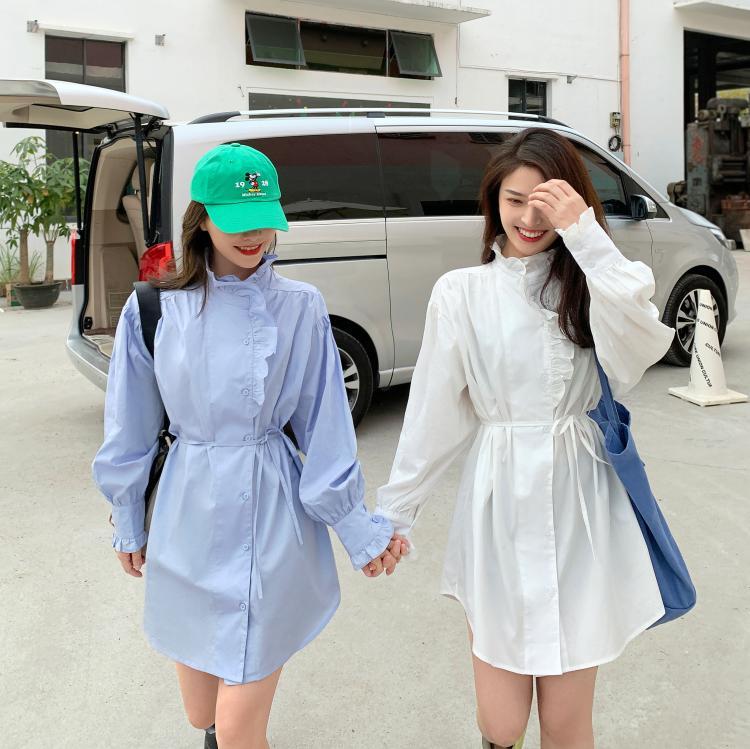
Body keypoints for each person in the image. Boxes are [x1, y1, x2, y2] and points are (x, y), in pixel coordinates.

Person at [93, 143, 407, 749]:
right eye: (237, 220)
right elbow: (129, 426)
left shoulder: (300, 307)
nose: (254, 236)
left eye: (265, 220)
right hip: (187, 514)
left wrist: (358, 530)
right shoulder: (154, 308)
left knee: (238, 729)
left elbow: (325, 430)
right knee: (203, 714)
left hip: (272, 513)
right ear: (202, 219)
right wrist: (128, 519)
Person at [375, 128, 675, 749]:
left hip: (580, 499)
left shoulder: (593, 285)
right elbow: (433, 412)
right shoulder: (462, 292)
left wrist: (584, 234)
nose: (530, 219)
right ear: (493, 201)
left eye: (547, 203)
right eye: (515, 200)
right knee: (502, 722)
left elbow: (643, 342)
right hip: (499, 501)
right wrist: (396, 513)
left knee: (566, 723)